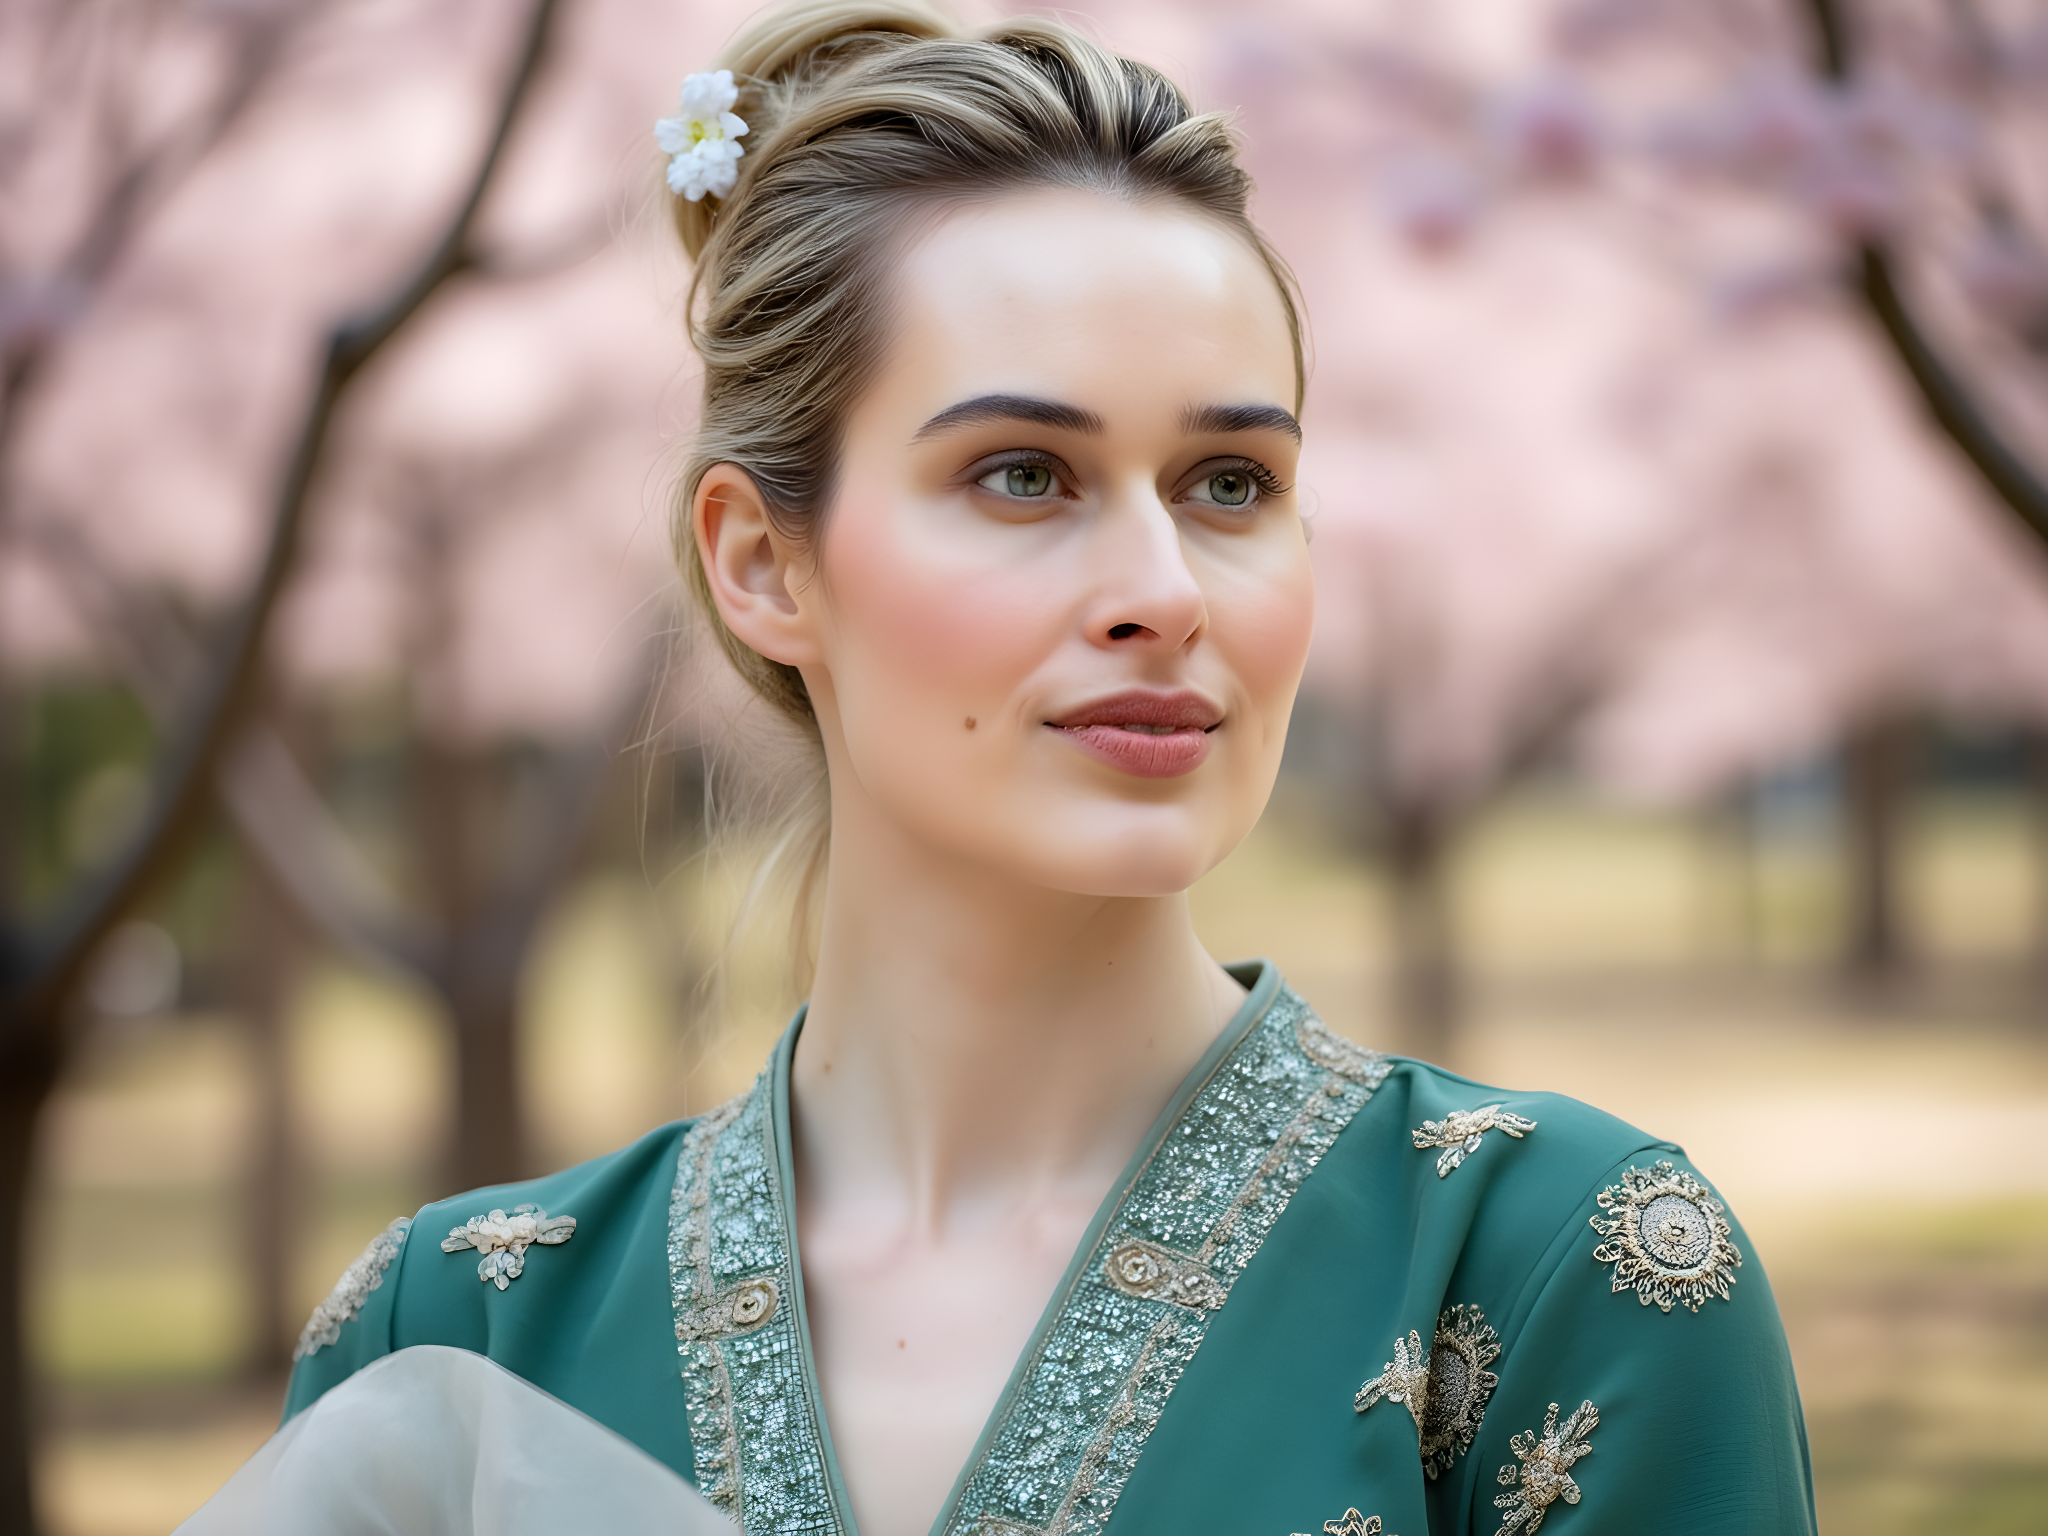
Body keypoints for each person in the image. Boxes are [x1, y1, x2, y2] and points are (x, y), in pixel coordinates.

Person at [186, 3, 1816, 1533]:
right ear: (762, 560)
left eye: (1232, 482)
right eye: (1025, 474)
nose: (1165, 590)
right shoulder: (459, 1330)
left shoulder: (1562, 1283)